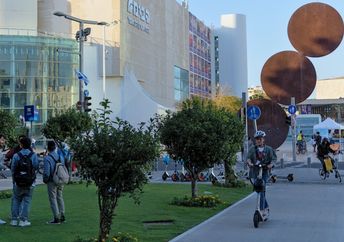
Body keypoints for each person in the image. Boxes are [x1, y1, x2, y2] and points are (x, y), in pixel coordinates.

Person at [246, 130, 276, 215]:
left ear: (263, 139)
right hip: (255, 171)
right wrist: (249, 163)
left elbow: (274, 159)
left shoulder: (269, 149)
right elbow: (248, 158)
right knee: (258, 190)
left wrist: (271, 165)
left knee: (262, 189)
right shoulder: (253, 149)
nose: (258, 140)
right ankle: (266, 206)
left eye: (260, 138)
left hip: (265, 171)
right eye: (257, 139)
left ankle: (262, 209)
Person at [10, 137, 38, 227]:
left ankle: (14, 220)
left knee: (16, 200)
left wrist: (14, 180)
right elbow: (36, 167)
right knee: (27, 201)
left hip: (18, 182)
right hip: (30, 182)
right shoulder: (33, 155)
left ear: (21, 145)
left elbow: (13, 169)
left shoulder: (16, 155)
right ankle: (23, 220)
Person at [43, 141, 66, 224]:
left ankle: (56, 217)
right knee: (60, 197)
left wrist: (45, 180)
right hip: (60, 179)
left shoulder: (47, 158)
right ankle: (62, 214)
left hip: (52, 180)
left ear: (48, 147)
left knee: (53, 198)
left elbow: (46, 172)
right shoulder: (60, 156)